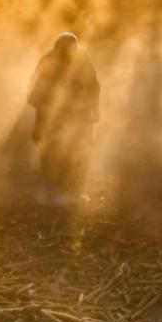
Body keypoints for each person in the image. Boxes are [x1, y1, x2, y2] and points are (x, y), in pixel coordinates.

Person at [28, 32, 100, 203]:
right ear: (56, 49)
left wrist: (95, 109)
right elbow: (34, 92)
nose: (67, 55)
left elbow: (94, 85)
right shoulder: (47, 60)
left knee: (80, 151)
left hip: (79, 114)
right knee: (51, 153)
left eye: (70, 51)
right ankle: (53, 190)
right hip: (52, 115)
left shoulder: (83, 59)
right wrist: (45, 109)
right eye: (63, 52)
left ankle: (74, 191)